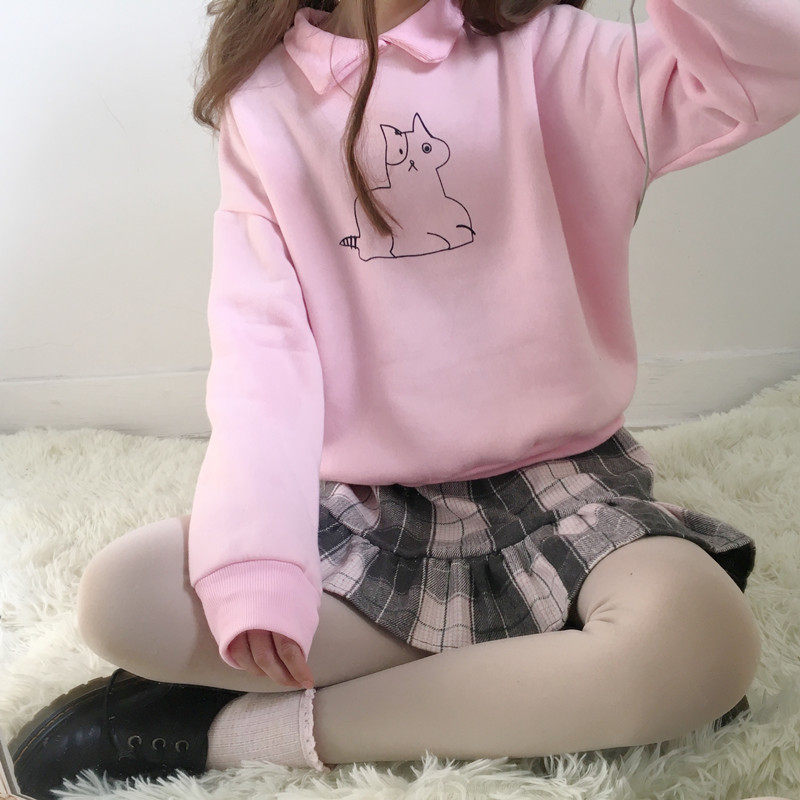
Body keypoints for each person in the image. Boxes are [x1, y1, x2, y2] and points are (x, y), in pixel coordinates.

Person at [8, 0, 800, 795]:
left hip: (565, 490)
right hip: (373, 512)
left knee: (702, 642)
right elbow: (262, 356)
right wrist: (255, 569)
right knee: (123, 597)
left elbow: (772, 70)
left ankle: (235, 731)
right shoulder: (266, 98)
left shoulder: (560, 54)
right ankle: (543, 674)